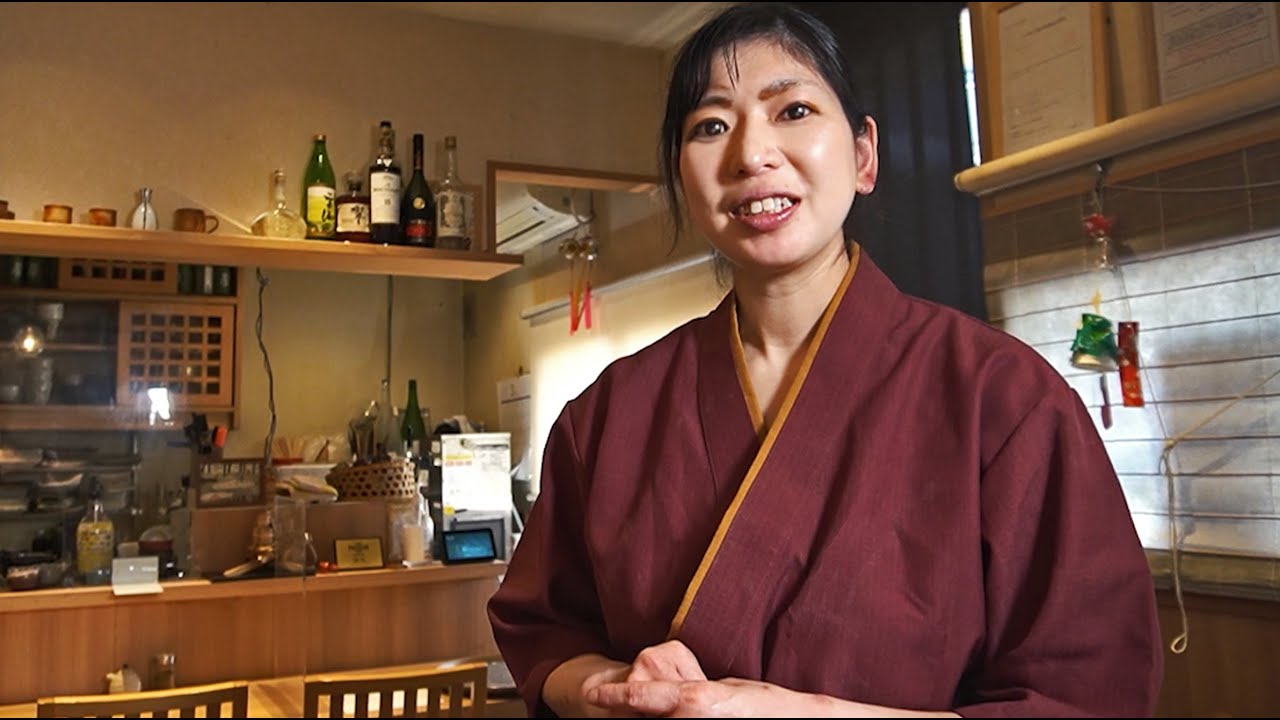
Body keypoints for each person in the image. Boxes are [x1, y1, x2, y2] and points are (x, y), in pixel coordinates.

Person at [487, 4, 1163, 717]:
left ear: (864, 155)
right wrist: (606, 687)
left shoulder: (1004, 397)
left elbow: (1087, 697)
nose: (751, 154)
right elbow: (546, 634)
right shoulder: (607, 413)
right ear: (684, 180)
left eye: (795, 109)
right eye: (710, 126)